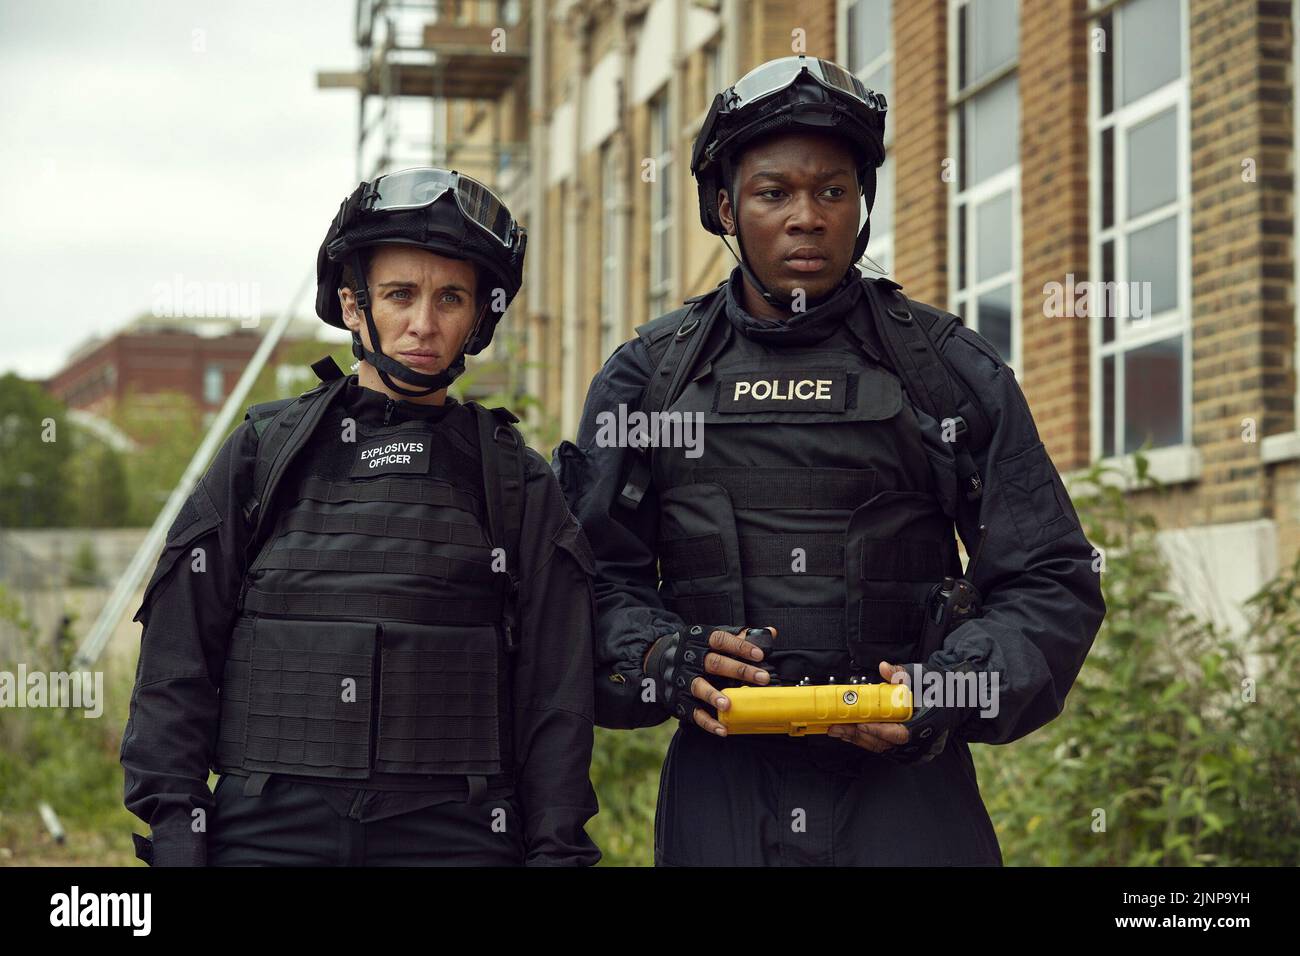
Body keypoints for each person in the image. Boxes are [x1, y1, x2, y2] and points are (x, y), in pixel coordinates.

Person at [554, 56, 1106, 865]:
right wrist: (656, 657)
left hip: (908, 799)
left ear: (862, 206)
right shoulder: (649, 379)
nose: (806, 217)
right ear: (726, 209)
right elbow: (587, 579)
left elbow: (1050, 578)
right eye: (774, 192)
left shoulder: (946, 369)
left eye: (833, 191)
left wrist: (943, 690)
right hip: (724, 797)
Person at [122, 167, 600, 866]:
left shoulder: (515, 480)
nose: (424, 324)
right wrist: (175, 833)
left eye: (451, 298)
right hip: (268, 833)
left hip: (457, 835)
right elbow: (176, 659)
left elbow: (557, 699)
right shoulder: (265, 453)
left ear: (478, 316)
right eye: (400, 295)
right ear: (353, 305)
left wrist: (556, 853)